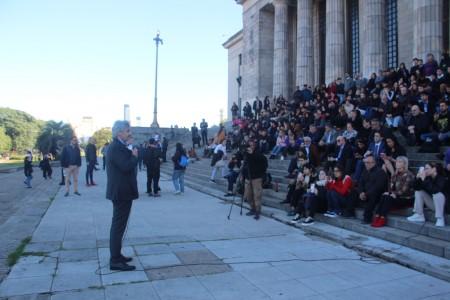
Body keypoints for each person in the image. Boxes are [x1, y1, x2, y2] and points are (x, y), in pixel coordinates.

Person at [106, 120, 138, 271]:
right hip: (120, 192)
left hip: (123, 191)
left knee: (120, 226)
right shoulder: (115, 147)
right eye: (127, 131)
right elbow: (126, 166)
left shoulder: (119, 146)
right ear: (118, 132)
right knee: (118, 227)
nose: (129, 133)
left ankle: (117, 255)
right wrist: (134, 156)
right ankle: (115, 260)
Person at [372, 156, 414, 227]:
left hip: (406, 198)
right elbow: (390, 188)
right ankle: (377, 216)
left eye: (399, 162)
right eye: (397, 161)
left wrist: (394, 193)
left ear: (404, 164)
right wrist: (389, 192)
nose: (397, 163)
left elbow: (404, 191)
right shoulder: (395, 174)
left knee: (388, 198)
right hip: (397, 195)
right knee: (384, 195)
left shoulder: (408, 175)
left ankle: (382, 218)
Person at [408, 162, 447, 227]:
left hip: (443, 206)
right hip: (433, 204)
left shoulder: (442, 178)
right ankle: (419, 215)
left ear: (434, 169)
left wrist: (424, 180)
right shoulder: (428, 178)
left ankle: (440, 218)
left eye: (427, 169)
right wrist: (417, 178)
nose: (425, 171)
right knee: (418, 192)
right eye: (425, 169)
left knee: (437, 194)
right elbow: (416, 188)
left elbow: (434, 190)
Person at [358, 155, 389, 224]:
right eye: (365, 162)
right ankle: (349, 212)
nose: (366, 164)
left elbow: (378, 187)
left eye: (368, 162)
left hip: (377, 194)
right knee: (353, 192)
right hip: (365, 193)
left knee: (373, 195)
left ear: (373, 163)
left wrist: (366, 194)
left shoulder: (380, 172)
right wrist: (361, 192)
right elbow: (360, 182)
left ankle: (367, 217)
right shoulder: (365, 170)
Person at [243, 141, 268, 220]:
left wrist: (253, 153)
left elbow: (263, 160)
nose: (250, 147)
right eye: (249, 145)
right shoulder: (246, 154)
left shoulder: (258, 153)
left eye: (252, 145)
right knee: (248, 195)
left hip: (257, 177)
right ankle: (252, 208)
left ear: (254, 146)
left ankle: (257, 211)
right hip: (248, 177)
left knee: (257, 195)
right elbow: (244, 165)